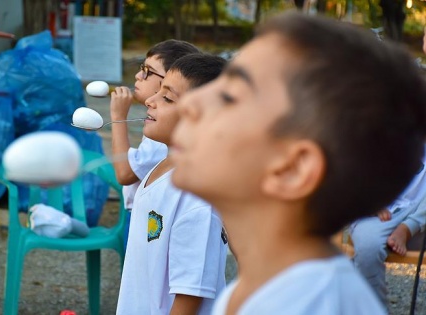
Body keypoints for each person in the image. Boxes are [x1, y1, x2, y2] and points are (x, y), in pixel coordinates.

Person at [169, 12, 426, 315]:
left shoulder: (308, 305)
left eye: (230, 95)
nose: (188, 103)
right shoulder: (264, 287)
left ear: (293, 169)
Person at [116, 53, 228, 315]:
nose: (151, 101)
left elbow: (189, 297)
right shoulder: (161, 169)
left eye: (167, 98)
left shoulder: (196, 198)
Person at [109, 40, 201, 245]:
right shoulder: (159, 127)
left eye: (148, 71)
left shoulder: (163, 135)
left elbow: (124, 173)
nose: (138, 76)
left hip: (147, 219)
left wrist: (118, 116)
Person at [350, 149, 426, 307]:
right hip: (382, 212)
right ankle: (372, 308)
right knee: (367, 247)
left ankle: (407, 228)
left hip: (421, 216)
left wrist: (409, 225)